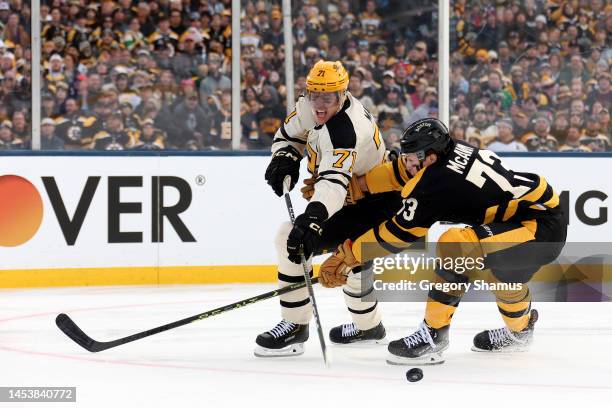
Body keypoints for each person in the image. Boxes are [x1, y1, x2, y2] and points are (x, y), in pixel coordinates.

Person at [319, 118, 566, 364]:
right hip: (535, 214)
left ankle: (433, 335)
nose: (407, 161)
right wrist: (358, 186)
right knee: (505, 278)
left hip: (540, 229)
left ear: (431, 157)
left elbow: (397, 235)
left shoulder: (436, 184)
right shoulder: (443, 151)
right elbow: (402, 171)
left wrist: (349, 255)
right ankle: (521, 332)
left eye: (412, 156)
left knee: (455, 246)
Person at [255, 60, 404, 357]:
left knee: (341, 256)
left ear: (343, 94)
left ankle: (337, 326)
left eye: (328, 98)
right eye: (314, 95)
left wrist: (313, 218)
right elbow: (290, 134)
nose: (319, 105)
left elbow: (333, 184)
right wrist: (284, 156)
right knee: (306, 246)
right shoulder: (308, 103)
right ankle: (356, 327)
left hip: (375, 201)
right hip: (350, 196)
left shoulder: (346, 130)